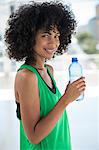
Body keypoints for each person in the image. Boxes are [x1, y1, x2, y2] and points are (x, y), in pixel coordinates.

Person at [5, 1, 86, 150]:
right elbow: (34, 137)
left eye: (57, 35)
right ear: (30, 38)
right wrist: (66, 99)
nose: (53, 42)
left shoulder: (49, 70)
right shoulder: (27, 76)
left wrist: (70, 95)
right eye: (46, 35)